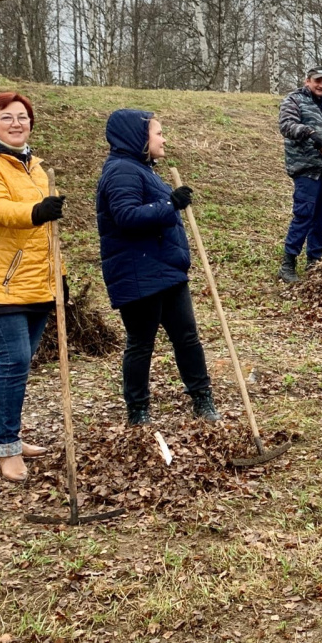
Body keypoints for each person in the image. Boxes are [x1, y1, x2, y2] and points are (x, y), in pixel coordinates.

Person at [0, 92, 65, 482]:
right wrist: (36, 212)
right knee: (15, 361)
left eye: (23, 117)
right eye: (7, 117)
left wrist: (60, 276)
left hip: (37, 283)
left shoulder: (34, 167)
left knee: (20, 364)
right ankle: (7, 446)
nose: (17, 123)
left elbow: (47, 236)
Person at [96, 109, 220, 426]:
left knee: (187, 337)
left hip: (166, 271)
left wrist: (169, 202)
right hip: (138, 274)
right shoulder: (122, 171)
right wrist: (169, 204)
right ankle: (138, 413)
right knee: (141, 344)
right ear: (138, 137)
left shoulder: (142, 169)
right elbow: (127, 216)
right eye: (158, 133)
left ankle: (203, 400)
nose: (164, 139)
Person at [278, 67, 322, 283]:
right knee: (304, 214)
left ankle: (315, 260)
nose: (321, 86)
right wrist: (307, 132)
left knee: (321, 214)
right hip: (305, 169)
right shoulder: (295, 100)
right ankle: (288, 263)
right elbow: (286, 125)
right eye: (317, 81)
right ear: (307, 81)